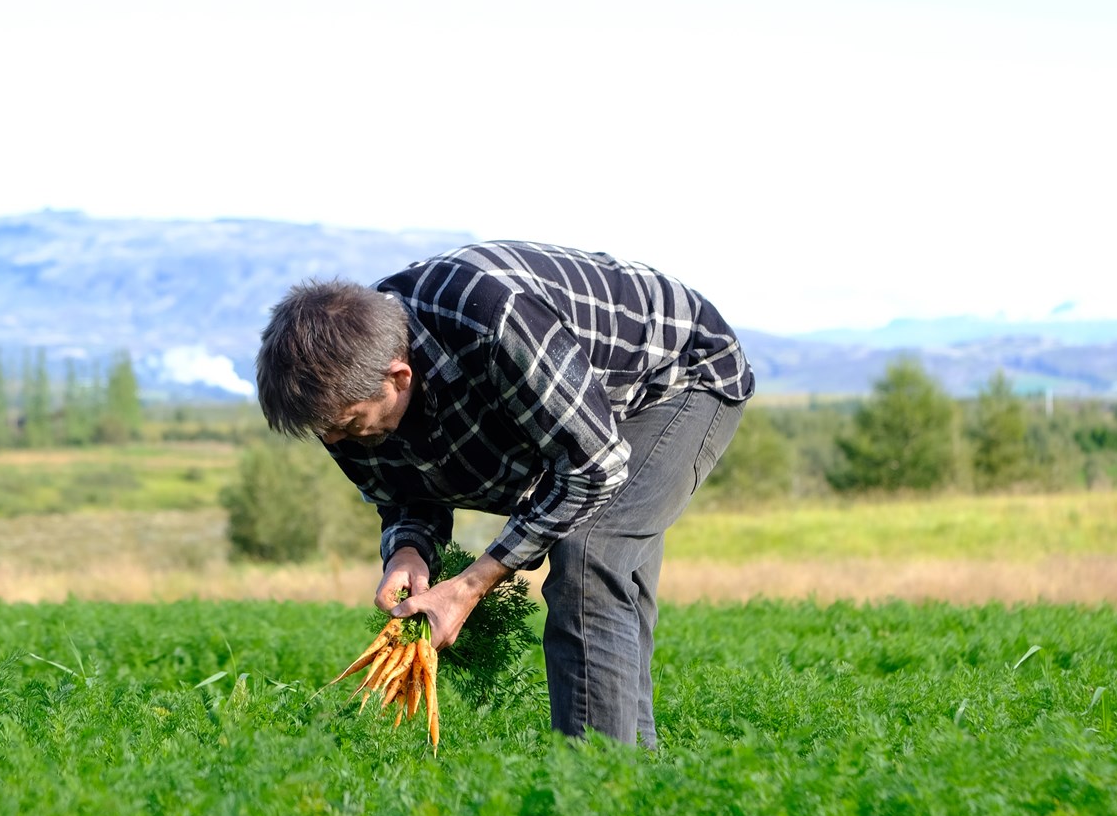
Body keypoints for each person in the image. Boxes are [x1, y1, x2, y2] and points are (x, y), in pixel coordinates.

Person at [255, 240, 754, 747]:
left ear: (399, 377)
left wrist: (469, 587)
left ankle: (595, 786)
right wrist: (408, 552)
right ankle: (633, 778)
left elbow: (593, 467)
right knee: (609, 577)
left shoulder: (493, 322)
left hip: (678, 374)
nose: (337, 443)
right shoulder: (345, 393)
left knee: (589, 556)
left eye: (348, 426)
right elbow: (404, 490)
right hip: (581, 401)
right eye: (324, 434)